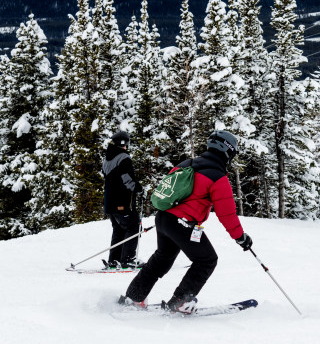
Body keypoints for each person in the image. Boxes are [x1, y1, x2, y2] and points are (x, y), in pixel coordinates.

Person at [119, 130, 253, 313]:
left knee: (162, 259)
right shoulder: (218, 177)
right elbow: (226, 214)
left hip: (164, 218)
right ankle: (181, 301)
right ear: (228, 151)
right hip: (182, 224)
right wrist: (240, 237)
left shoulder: (186, 164)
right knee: (206, 260)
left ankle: (133, 297)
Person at [103, 130, 144, 269]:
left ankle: (114, 259)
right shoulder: (124, 157)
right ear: (125, 143)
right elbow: (127, 178)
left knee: (119, 229)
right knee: (134, 226)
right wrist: (139, 189)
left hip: (110, 202)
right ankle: (127, 258)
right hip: (122, 201)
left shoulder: (108, 158)